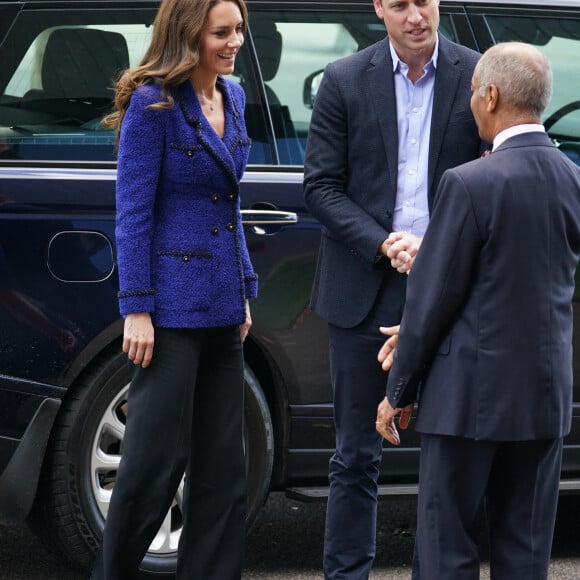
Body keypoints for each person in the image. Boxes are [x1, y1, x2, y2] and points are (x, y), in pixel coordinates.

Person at [376, 42, 580, 579]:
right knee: (526, 551)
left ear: (489, 96)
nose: (471, 103)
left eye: (471, 94)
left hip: (468, 399)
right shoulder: (571, 179)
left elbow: (432, 298)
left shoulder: (470, 182)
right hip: (543, 399)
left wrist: (398, 389)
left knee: (448, 549)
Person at [302, 0, 484, 576]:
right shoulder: (344, 79)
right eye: (400, 3)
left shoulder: (477, 73)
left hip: (450, 292)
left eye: (424, 1)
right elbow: (322, 187)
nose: (415, 15)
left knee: (448, 456)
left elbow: (494, 175)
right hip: (364, 289)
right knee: (355, 455)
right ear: (379, 7)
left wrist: (440, 250)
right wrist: (386, 242)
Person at [90, 0, 257, 578]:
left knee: (222, 471)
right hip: (169, 312)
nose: (235, 41)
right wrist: (136, 308)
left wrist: (244, 291)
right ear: (189, 35)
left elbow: (228, 205)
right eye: (221, 32)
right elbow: (132, 213)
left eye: (238, 29)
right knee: (151, 467)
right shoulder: (152, 104)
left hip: (222, 306)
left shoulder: (233, 97)